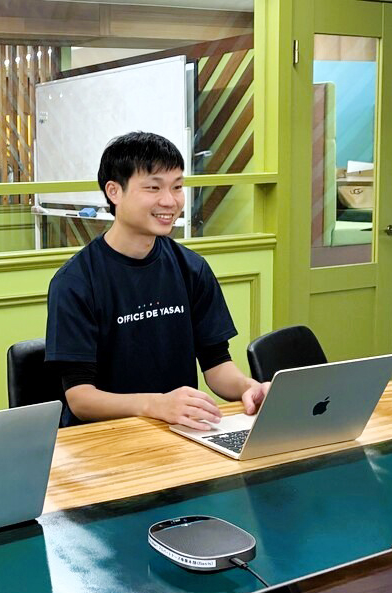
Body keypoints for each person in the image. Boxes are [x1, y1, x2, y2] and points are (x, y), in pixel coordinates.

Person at [45, 132, 268, 430]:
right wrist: (155, 405)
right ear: (114, 191)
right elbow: (81, 399)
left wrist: (248, 387)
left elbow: (216, 364)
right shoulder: (75, 282)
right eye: (153, 187)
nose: (170, 201)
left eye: (177, 187)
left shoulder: (192, 268)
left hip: (179, 432)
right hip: (103, 439)